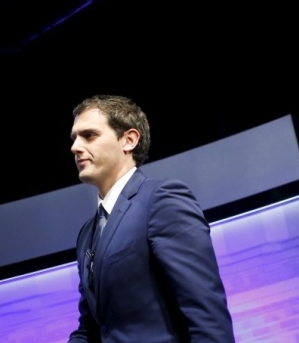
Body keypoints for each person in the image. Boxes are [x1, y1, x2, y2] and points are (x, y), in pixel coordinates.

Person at [67, 95, 235, 343]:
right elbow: (92, 328)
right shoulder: (86, 234)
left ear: (129, 140)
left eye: (89, 135)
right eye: (74, 138)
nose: (75, 147)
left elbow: (205, 311)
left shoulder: (162, 200)